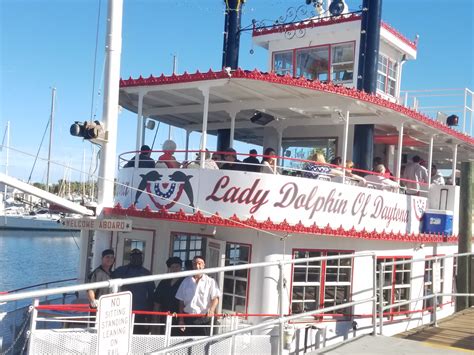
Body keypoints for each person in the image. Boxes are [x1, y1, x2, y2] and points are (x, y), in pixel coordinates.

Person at [112, 248, 155, 334]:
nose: (136, 259)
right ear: (130, 258)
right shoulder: (121, 271)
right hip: (123, 311)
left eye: (139, 257)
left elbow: (151, 295)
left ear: (141, 259)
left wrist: (149, 315)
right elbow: (109, 279)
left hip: (141, 311)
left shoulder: (146, 273)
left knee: (140, 335)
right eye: (134, 257)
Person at [175, 256, 220, 336]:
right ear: (192, 266)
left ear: (203, 265)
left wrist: (212, 309)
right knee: (187, 344)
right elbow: (181, 302)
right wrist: (181, 319)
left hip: (204, 318)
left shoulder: (210, 281)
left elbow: (216, 298)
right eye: (195, 264)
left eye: (200, 263)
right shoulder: (185, 281)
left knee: (203, 344)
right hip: (188, 318)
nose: (197, 266)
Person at [153, 257, 184, 335]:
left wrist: (181, 318)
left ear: (180, 267)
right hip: (165, 316)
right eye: (172, 267)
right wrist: (155, 319)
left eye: (177, 267)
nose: (175, 269)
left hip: (181, 317)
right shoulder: (164, 282)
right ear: (169, 269)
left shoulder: (185, 281)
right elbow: (157, 302)